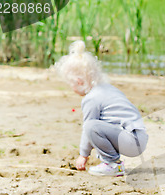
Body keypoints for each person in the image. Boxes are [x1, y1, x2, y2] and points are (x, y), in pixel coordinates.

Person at [54, 41, 148, 176]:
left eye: (71, 84)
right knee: (100, 125)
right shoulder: (108, 89)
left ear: (79, 82)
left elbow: (88, 128)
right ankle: (111, 161)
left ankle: (112, 164)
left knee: (91, 126)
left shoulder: (91, 98)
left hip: (130, 141)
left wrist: (83, 155)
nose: (72, 89)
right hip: (140, 138)